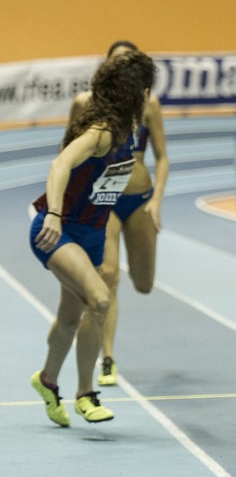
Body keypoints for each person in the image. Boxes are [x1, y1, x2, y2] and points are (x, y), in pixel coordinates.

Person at [29, 50, 154, 427]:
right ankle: (86, 394)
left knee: (70, 317)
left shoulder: (129, 129)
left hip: (92, 234)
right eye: (145, 89)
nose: (149, 95)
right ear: (134, 92)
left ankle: (47, 381)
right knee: (99, 299)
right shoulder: (101, 132)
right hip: (59, 231)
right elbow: (60, 164)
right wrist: (52, 212)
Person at [67, 41, 169, 389]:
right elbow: (67, 153)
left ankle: (105, 353)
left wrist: (157, 200)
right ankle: (107, 358)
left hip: (139, 198)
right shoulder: (85, 104)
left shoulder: (148, 104)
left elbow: (163, 157)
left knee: (143, 283)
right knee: (107, 275)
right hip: (103, 200)